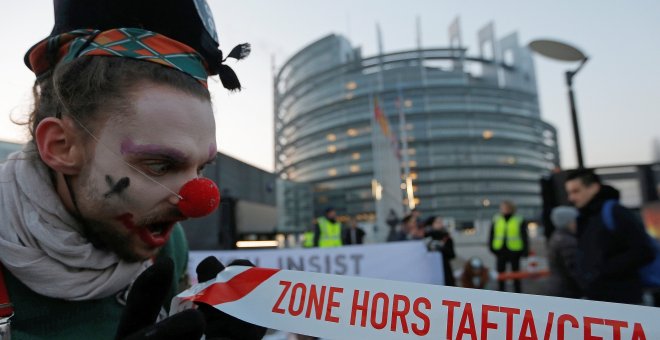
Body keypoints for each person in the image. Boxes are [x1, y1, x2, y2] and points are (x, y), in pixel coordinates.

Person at [0, 0, 265, 338]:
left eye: (202, 167)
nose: (197, 204)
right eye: (159, 164)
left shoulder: (169, 245)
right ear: (61, 147)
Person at [565, 168, 655, 304]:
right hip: (598, 298)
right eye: (569, 193)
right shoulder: (585, 217)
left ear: (594, 187)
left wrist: (602, 270)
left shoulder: (615, 212)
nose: (571, 198)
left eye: (576, 191)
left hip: (623, 300)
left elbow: (644, 251)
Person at [488, 200, 529, 293]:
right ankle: (501, 292)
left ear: (511, 209)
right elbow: (492, 234)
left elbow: (524, 236)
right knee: (501, 274)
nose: (504, 209)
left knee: (516, 274)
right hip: (500, 250)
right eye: (502, 208)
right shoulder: (496, 219)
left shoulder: (519, 219)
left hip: (515, 251)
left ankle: (518, 293)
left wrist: (525, 250)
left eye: (506, 208)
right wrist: (491, 247)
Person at [546, 206, 582, 298]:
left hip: (558, 287)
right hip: (566, 290)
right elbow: (574, 270)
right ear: (567, 222)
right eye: (574, 220)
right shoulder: (567, 241)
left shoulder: (557, 236)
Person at [423, 216, 456, 286]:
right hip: (429, 270)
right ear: (431, 224)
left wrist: (442, 247)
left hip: (445, 270)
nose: (440, 224)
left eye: (441, 222)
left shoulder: (446, 237)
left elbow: (452, 255)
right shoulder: (425, 237)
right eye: (437, 222)